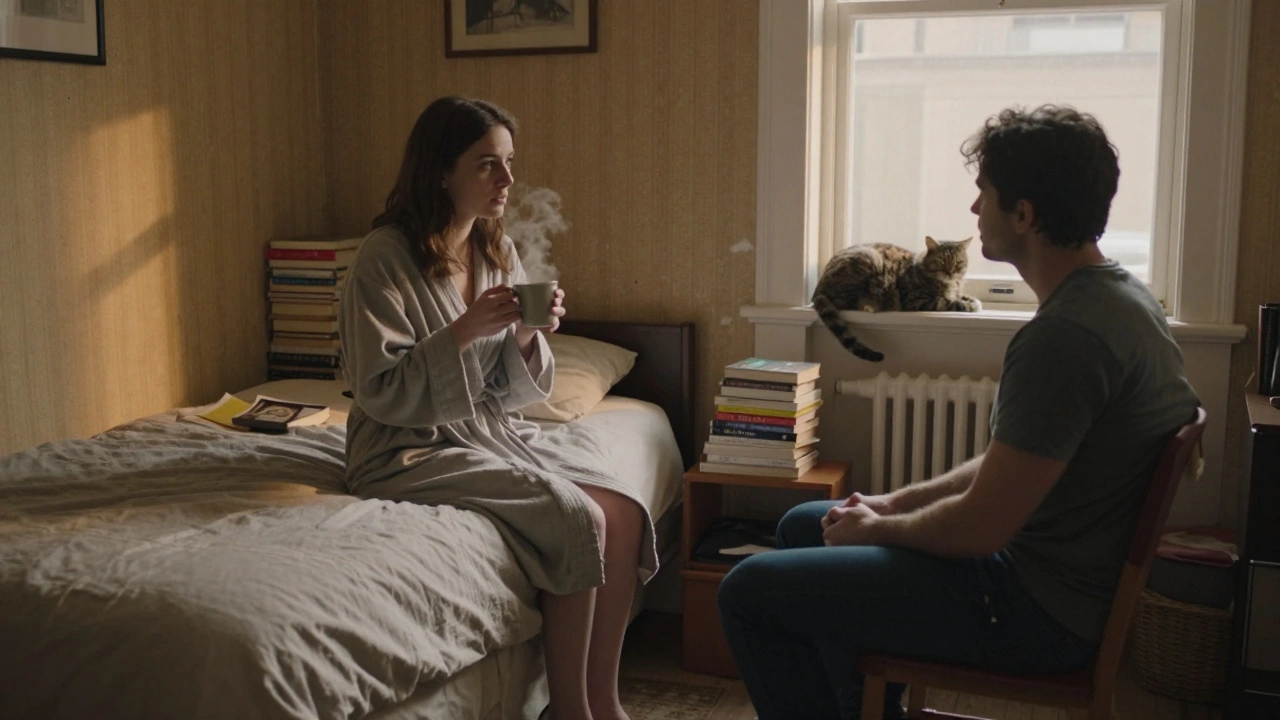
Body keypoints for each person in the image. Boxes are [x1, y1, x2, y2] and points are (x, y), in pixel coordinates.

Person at [716, 105, 1201, 720]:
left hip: (1031, 609)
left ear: (1024, 214)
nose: (974, 211)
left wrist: (882, 530)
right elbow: (1006, 465)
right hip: (1044, 581)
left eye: (983, 194)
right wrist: (888, 506)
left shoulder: (1066, 338)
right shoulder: (1121, 298)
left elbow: (981, 528)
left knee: (746, 593)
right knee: (806, 524)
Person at [339, 96, 650, 720]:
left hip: (480, 431)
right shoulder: (383, 257)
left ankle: (604, 700)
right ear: (440, 172)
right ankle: (569, 709)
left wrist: (529, 336)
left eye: (509, 162)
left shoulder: (495, 249)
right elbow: (377, 386)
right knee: (576, 515)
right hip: (404, 447)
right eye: (487, 165)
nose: (507, 180)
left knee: (623, 507)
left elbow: (501, 391)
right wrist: (460, 332)